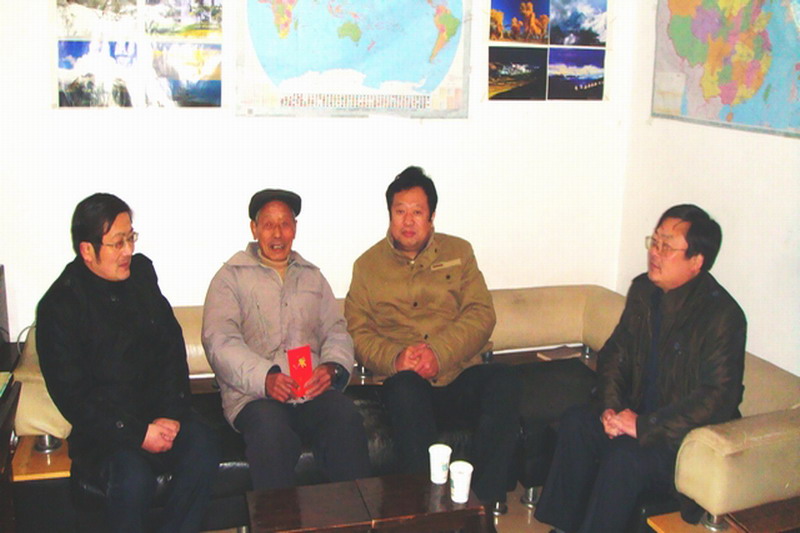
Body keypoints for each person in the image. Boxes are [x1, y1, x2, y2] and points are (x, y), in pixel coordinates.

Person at [534, 204, 747, 533]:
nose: (655, 253)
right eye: (655, 241)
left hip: (680, 439)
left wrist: (645, 425)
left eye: (667, 246)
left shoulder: (722, 316)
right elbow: (615, 355)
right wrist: (610, 408)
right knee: (578, 423)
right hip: (633, 418)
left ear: (696, 261)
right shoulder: (644, 292)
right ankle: (562, 527)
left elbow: (717, 398)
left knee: (624, 458)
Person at [36, 193, 219, 533]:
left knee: (204, 448)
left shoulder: (142, 274)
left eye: (131, 238)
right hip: (107, 431)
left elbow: (170, 346)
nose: (128, 251)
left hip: (161, 413)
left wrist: (171, 412)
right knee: (133, 478)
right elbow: (74, 397)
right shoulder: (60, 306)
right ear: (87, 250)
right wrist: (137, 433)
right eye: (117, 243)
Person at [345, 166, 521, 514]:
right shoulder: (367, 266)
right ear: (390, 214)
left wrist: (439, 354)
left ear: (432, 216)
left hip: (457, 373)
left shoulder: (460, 252)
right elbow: (357, 330)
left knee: (505, 381)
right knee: (405, 389)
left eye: (417, 212)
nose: (408, 221)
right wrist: (396, 358)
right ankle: (424, 510)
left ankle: (483, 505)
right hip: (405, 382)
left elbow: (481, 314)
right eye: (400, 211)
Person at [202, 189, 370, 490]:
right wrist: (265, 378)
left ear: (295, 229)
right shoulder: (230, 277)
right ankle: (279, 517)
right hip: (254, 396)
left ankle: (354, 513)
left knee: (345, 418)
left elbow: (336, 329)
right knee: (271, 434)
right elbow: (220, 341)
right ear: (254, 229)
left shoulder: (313, 277)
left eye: (285, 224)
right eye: (268, 225)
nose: (278, 234)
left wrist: (332, 367)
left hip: (310, 391)